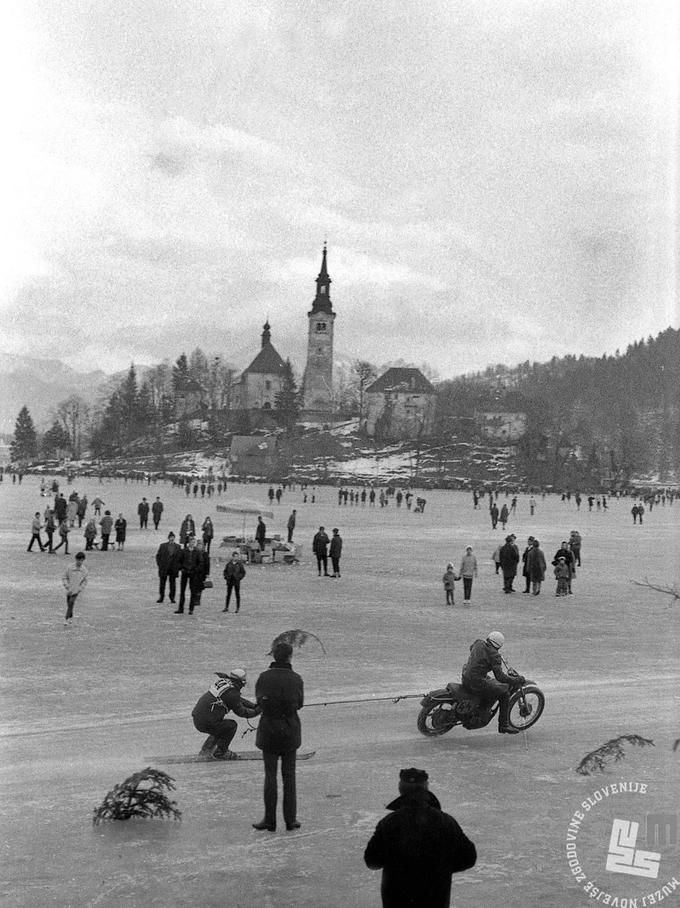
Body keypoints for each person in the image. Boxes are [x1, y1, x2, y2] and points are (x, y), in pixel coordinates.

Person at [364, 767, 477, 908]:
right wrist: (440, 869)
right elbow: (468, 858)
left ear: (401, 789)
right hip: (435, 900)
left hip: (397, 901)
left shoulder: (389, 823)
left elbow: (372, 861)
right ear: (426, 788)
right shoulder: (445, 821)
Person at [253, 642, 304, 832]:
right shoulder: (296, 679)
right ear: (290, 657)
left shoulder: (264, 677)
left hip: (269, 731)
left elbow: (259, 701)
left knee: (270, 776)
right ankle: (290, 820)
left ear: (274, 656)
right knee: (289, 777)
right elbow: (299, 703)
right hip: (290, 731)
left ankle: (269, 820)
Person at [461, 631, 525, 735]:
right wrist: (517, 680)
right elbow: (500, 677)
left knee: (489, 680)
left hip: (466, 676)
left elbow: (471, 648)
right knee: (504, 694)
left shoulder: (479, 643)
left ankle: (482, 707)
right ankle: (503, 726)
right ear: (499, 645)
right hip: (475, 683)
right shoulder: (494, 656)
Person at [192, 669, 260, 760]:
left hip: (198, 717)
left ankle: (206, 751)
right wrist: (258, 711)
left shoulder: (226, 684)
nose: (244, 684)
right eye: (244, 681)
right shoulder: (232, 693)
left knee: (220, 727)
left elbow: (238, 700)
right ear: (240, 681)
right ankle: (221, 752)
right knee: (231, 726)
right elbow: (241, 712)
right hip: (206, 721)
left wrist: (254, 706)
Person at [62, 552, 88, 627]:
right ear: (76, 559)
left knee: (71, 602)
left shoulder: (84, 570)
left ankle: (66, 618)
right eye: (78, 560)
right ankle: (71, 616)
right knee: (69, 604)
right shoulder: (70, 568)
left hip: (76, 590)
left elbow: (85, 581)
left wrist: (80, 589)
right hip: (69, 589)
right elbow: (64, 577)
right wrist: (67, 586)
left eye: (81, 560)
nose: (79, 562)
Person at [156, 531, 183, 604]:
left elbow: (181, 558)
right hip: (164, 568)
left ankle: (172, 597)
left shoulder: (178, 547)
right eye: (170, 537)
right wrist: (160, 565)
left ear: (174, 538)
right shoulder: (163, 546)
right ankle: (161, 597)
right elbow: (158, 556)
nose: (172, 539)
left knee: (172, 584)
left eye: (173, 537)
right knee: (162, 584)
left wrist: (179, 567)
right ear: (168, 538)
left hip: (173, 568)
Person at [186, 539, 210, 614]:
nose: (200, 546)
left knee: (200, 586)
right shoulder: (195, 552)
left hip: (202, 573)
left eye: (201, 545)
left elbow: (207, 564)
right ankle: (195, 598)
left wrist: (207, 573)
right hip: (195, 572)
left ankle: (198, 598)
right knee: (194, 586)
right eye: (198, 544)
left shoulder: (205, 553)